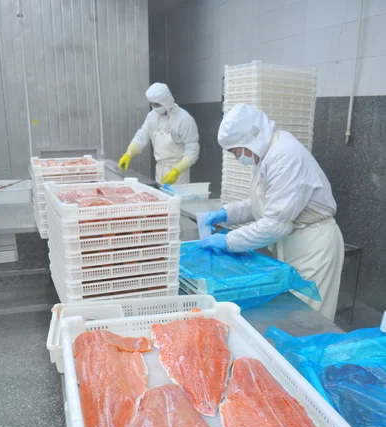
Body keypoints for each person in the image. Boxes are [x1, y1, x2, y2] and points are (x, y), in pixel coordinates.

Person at [200, 103, 344, 321]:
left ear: (250, 138)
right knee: (291, 314)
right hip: (293, 241)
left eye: (235, 151)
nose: (237, 157)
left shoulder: (285, 156)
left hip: (313, 247)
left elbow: (276, 224)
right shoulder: (268, 154)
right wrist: (225, 214)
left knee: (308, 317)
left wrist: (229, 241)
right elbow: (261, 203)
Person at [118, 82, 200, 185]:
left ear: (166, 101)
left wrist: (176, 171)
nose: (154, 107)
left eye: (157, 104)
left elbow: (192, 151)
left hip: (179, 174)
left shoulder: (184, 119)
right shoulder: (152, 116)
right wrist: (129, 153)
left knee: (176, 200)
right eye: (152, 104)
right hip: (160, 169)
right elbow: (142, 136)